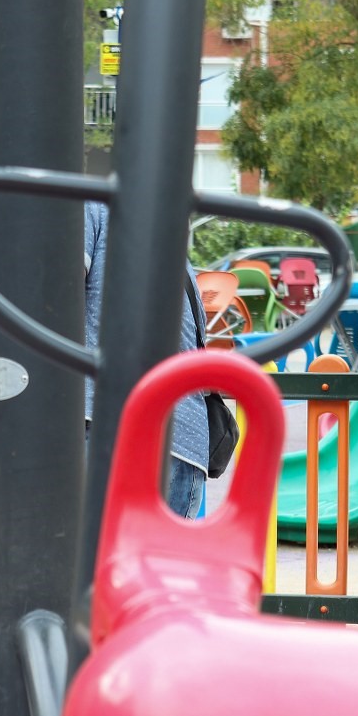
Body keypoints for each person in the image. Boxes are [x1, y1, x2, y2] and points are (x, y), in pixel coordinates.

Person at [83, 201, 208, 516]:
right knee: (160, 564)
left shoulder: (81, 208)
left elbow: (47, 305)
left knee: (79, 560)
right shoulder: (167, 246)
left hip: (109, 425)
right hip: (185, 440)